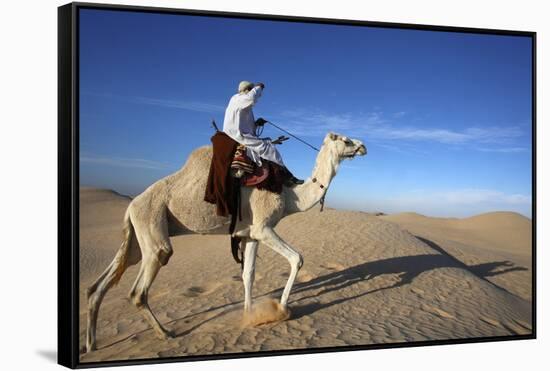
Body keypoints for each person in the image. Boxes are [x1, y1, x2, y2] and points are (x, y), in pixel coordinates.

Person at [222, 80, 304, 185]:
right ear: (247, 90)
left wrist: (257, 124)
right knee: (269, 149)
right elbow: (251, 97)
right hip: (237, 135)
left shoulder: (244, 106)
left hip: (241, 134)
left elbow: (246, 126)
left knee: (268, 142)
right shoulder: (237, 98)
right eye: (251, 90)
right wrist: (259, 87)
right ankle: (286, 177)